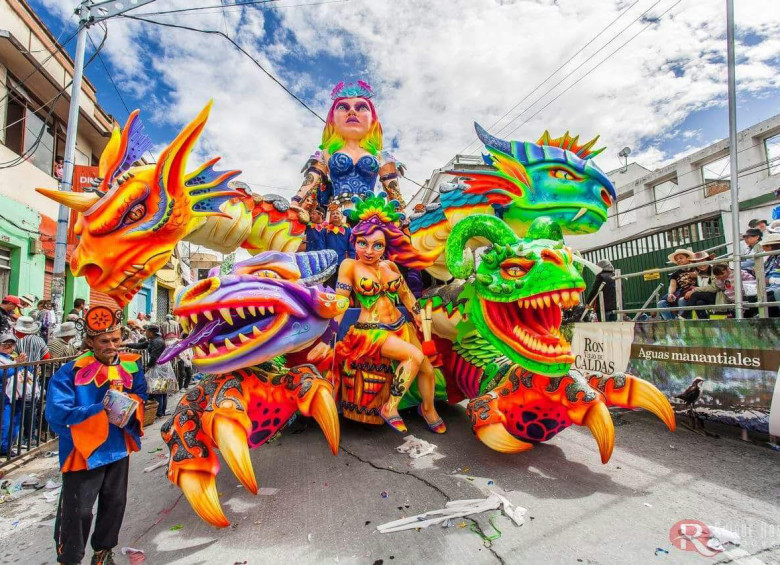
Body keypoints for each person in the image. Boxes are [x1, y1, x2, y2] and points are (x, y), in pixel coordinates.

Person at [314, 195, 442, 434]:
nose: (369, 251)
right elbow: (341, 302)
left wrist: (421, 319)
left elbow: (406, 295)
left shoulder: (390, 267)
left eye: (377, 245)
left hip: (401, 326)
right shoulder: (350, 266)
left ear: (386, 246)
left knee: (427, 369)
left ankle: (427, 408)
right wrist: (328, 336)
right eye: (363, 243)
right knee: (413, 356)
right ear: (354, 242)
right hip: (372, 333)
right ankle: (390, 408)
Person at [46, 306, 147, 565]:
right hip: (83, 450)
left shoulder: (132, 366)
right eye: (104, 341)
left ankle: (103, 553)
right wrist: (99, 408)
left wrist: (130, 403)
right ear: (90, 342)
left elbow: (142, 396)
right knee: (77, 512)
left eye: (116, 339)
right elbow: (57, 413)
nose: (112, 345)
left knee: (114, 504)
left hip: (117, 447)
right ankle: (69, 559)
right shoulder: (70, 371)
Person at [291, 80, 406, 212]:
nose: (352, 111)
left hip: (370, 217)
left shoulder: (381, 157)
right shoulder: (325, 154)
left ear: (373, 120)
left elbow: (395, 196)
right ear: (332, 120)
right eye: (342, 107)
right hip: (336, 216)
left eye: (362, 107)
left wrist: (401, 219)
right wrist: (295, 204)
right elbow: (308, 187)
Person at [125, 324, 169, 417]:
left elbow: (154, 356)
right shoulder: (153, 340)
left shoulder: (157, 342)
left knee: (159, 389)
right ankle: (161, 411)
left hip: (159, 367)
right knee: (162, 389)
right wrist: (126, 344)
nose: (146, 333)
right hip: (159, 366)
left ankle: (159, 412)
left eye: (147, 331)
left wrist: (149, 366)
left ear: (151, 332)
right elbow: (140, 345)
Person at [688, 264, 757, 318]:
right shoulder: (719, 279)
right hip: (730, 299)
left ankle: (685, 314)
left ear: (727, 270)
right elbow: (720, 287)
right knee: (698, 301)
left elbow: (751, 280)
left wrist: (743, 288)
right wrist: (718, 279)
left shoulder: (738, 273)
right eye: (718, 275)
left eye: (722, 274)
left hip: (742, 297)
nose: (721, 276)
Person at [0, 333, 26, 456]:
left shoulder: (12, 357)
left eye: (11, 344)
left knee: (15, 422)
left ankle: (8, 446)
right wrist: (17, 365)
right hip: (4, 396)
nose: (8, 346)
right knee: (6, 423)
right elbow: (2, 374)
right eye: (5, 344)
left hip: (16, 395)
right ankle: (4, 448)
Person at [657, 249, 697, 320]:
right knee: (661, 303)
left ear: (688, 259)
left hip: (693, 291)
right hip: (681, 292)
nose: (678, 260)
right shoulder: (675, 274)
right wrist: (670, 294)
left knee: (681, 300)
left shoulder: (696, 268)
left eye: (681, 258)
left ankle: (684, 324)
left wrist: (696, 275)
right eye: (677, 259)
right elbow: (672, 285)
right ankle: (672, 324)